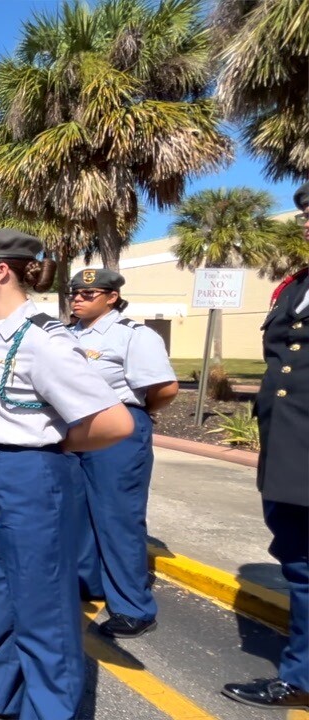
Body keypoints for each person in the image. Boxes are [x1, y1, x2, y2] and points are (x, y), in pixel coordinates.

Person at [0, 229, 133, 720]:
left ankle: (49, 709)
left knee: (44, 607)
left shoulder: (42, 338)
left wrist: (50, 444)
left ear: (2, 271)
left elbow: (115, 422)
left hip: (28, 476)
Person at [222, 182, 309, 711]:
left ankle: (300, 675)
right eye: (304, 211)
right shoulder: (293, 288)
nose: (305, 219)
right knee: (298, 562)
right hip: (289, 449)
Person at [67, 268, 178, 638]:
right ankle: (89, 584)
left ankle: (134, 607)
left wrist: (133, 417)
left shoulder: (134, 335)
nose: (78, 299)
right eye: (74, 293)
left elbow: (164, 389)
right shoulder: (67, 335)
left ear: (112, 296)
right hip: (76, 429)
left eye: (88, 294)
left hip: (117, 429)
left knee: (118, 518)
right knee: (77, 514)